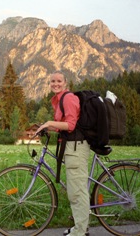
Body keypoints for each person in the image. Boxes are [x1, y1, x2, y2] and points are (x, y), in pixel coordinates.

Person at [36, 70, 89, 236]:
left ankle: (80, 231)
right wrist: (46, 127)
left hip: (76, 147)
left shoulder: (68, 98)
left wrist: (50, 122)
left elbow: (71, 125)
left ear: (65, 83)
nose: (55, 84)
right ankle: (80, 226)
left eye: (59, 81)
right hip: (70, 147)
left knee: (77, 190)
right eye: (52, 81)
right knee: (75, 189)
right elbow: (62, 125)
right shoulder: (59, 100)